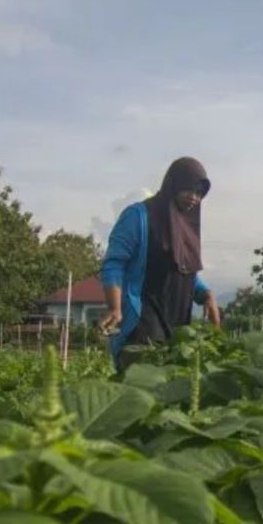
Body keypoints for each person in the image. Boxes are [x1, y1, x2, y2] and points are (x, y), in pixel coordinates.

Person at [99, 157, 222, 370]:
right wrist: (114, 307)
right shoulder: (138, 216)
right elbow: (114, 263)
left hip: (176, 321)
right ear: (173, 185)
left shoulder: (185, 226)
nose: (194, 198)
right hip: (144, 317)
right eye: (190, 190)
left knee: (167, 391)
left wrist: (205, 294)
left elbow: (183, 268)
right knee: (141, 383)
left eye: (200, 194)